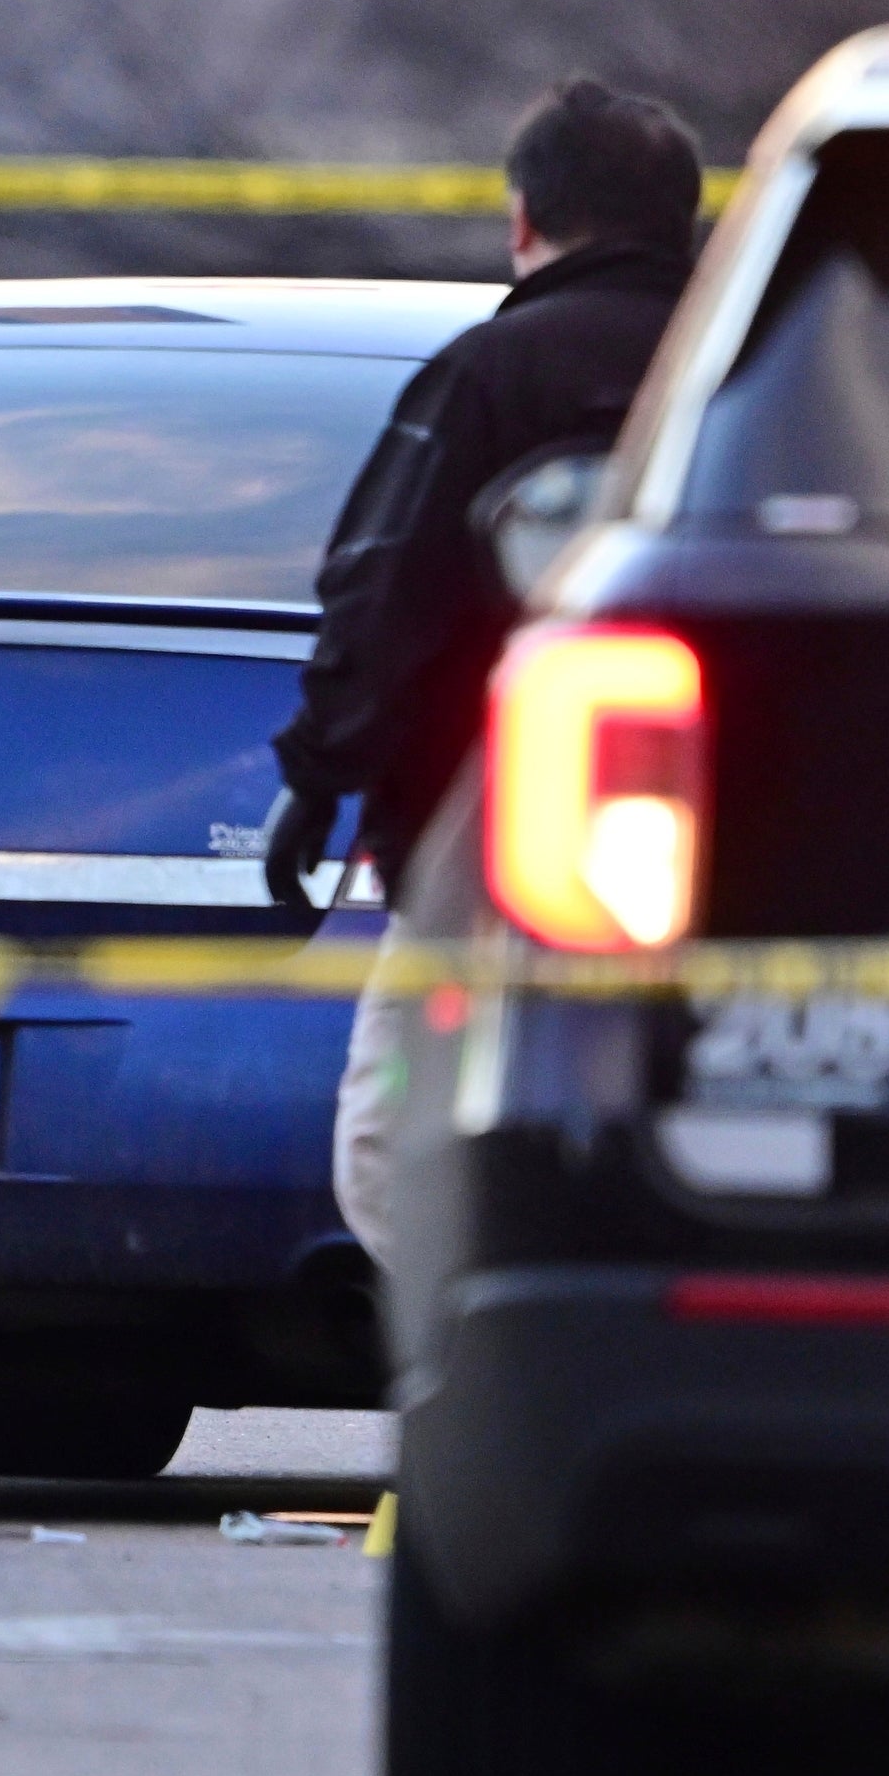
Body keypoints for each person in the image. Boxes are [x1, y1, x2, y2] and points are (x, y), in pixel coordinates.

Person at [266, 77, 706, 1252]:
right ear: (686, 219)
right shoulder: (757, 375)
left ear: (523, 218)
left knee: (390, 1136)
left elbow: (380, 594)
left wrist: (320, 776)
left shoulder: (487, 373)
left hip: (494, 840)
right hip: (747, 847)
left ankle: (483, 1372)